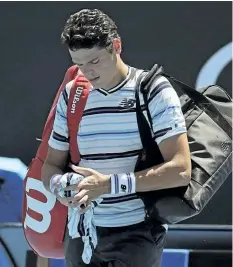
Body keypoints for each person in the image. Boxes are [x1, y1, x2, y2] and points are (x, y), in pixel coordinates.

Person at [41, 8, 191, 267]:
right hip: (80, 234)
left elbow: (180, 170)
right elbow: (50, 166)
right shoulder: (72, 94)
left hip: (137, 234)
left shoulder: (153, 90)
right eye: (79, 64)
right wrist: (61, 186)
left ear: (116, 46)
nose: (87, 72)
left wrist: (109, 185)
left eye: (94, 61)